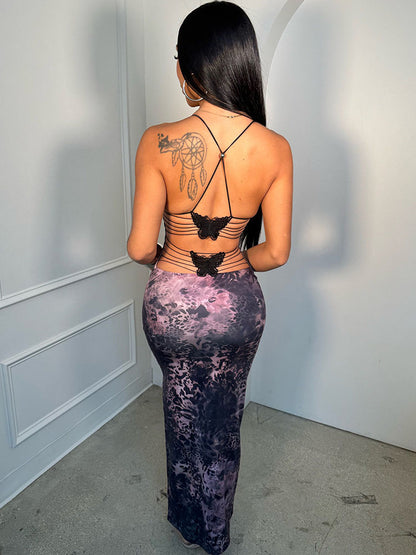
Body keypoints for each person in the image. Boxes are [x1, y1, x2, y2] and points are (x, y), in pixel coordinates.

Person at [127, 2, 293, 553]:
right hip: (238, 306)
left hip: (170, 304)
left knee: (181, 410)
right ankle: (216, 530)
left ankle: (188, 521)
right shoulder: (275, 148)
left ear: (188, 68)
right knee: (223, 419)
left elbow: (138, 247)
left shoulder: (158, 140)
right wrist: (230, 266)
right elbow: (276, 252)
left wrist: (173, 262)